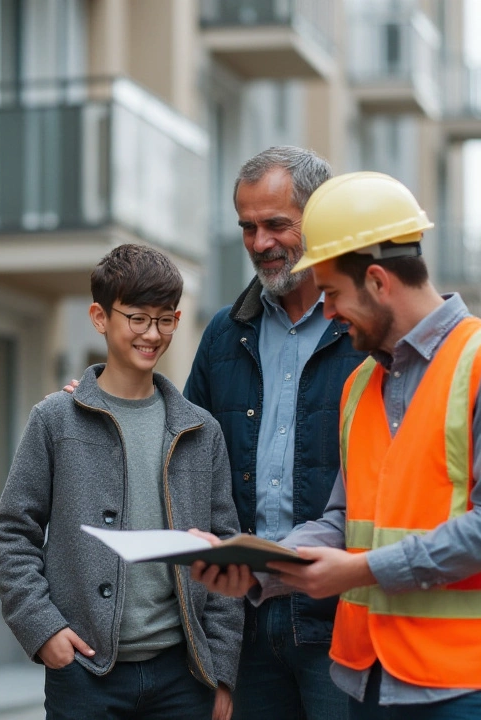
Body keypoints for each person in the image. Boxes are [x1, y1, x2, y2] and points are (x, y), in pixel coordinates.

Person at [211, 171, 481, 720]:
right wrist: (253, 564)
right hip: (370, 680)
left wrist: (359, 570)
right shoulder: (362, 386)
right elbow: (342, 518)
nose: (325, 312)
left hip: (468, 686)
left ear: (377, 281)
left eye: (331, 293)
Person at [0, 244, 244, 720]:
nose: (153, 334)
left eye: (166, 320)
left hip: (184, 678)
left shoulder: (200, 430)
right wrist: (43, 630)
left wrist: (222, 670)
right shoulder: (54, 420)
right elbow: (11, 533)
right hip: (84, 674)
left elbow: (224, 554)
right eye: (138, 319)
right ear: (99, 317)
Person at [184, 146, 365, 720]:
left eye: (276, 225)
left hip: (338, 616)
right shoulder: (223, 333)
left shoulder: (362, 333)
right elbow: (182, 445)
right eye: (247, 227)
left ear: (320, 222)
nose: (260, 243)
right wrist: (99, 396)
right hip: (246, 619)